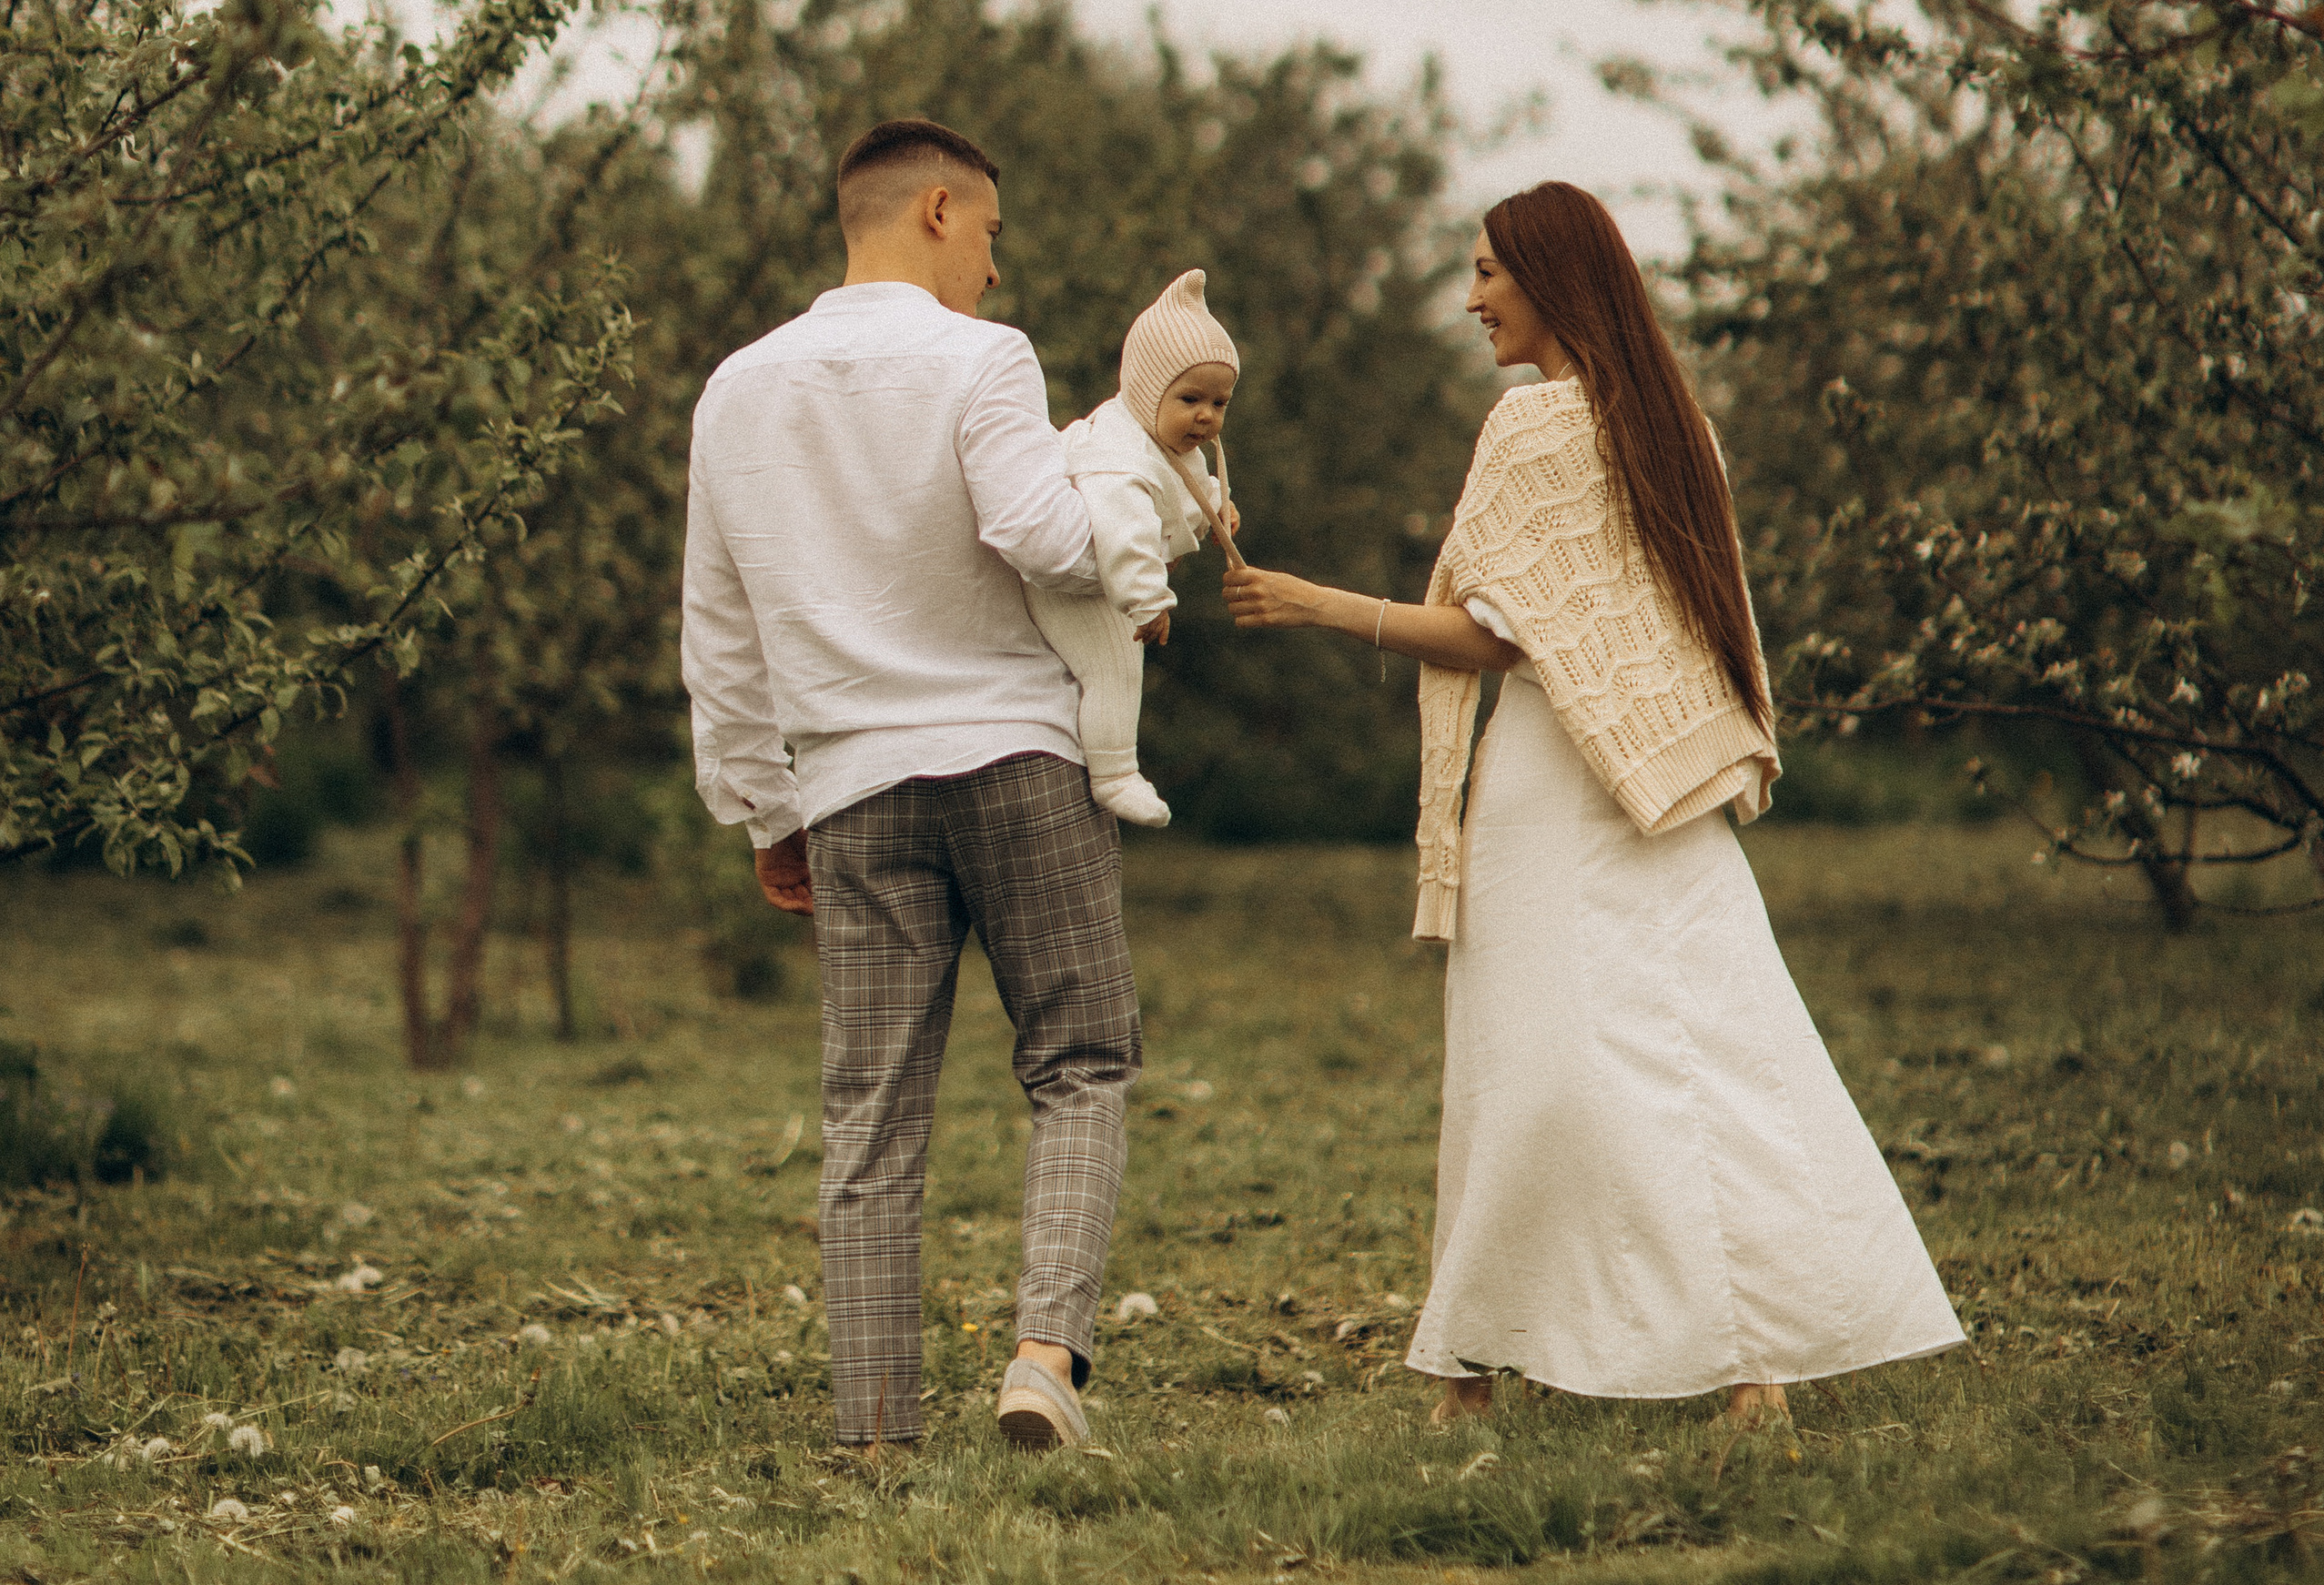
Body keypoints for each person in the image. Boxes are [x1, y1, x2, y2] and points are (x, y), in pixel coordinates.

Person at [1224, 178, 1964, 1424]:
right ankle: (1749, 1364)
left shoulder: (1529, 430)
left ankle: (1477, 1366)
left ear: (1550, 281)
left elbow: (1493, 640)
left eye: (1486, 275)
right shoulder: (1678, 427)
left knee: (1531, 1060)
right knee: (1719, 1049)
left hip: (1555, 783)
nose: (1469, 301)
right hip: (1661, 778)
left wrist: (1310, 602)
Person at [680, 116, 1139, 1458]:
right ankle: (1043, 1357)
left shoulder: (738, 388)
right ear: (938, 210)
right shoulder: (984, 359)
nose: (997, 272)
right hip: (1016, 759)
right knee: (1080, 1057)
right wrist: (1120, 529)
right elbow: (1044, 539)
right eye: (991, 234)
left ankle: (876, 1429)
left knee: (870, 1109)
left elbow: (720, 625)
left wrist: (763, 807)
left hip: (852, 789)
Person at [1028, 268, 1241, 828]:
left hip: (1103, 577)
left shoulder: (1163, 437)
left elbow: (1186, 480)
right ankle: (1115, 773)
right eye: (1191, 398)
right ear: (1148, 391)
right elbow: (1125, 534)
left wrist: (1216, 507)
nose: (1206, 416)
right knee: (1116, 669)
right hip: (1071, 586)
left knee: (1112, 668)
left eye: (1219, 403)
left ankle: (1103, 760)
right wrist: (1150, 600)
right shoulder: (1117, 456)